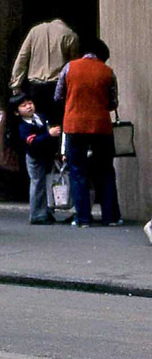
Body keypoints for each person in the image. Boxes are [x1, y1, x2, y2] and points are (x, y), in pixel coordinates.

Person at [55, 36, 122, 227]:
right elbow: (113, 102)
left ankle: (83, 217)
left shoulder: (69, 68)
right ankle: (111, 217)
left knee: (77, 171)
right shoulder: (108, 72)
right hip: (101, 126)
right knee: (106, 170)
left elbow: (58, 95)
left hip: (74, 125)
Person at [10, 18, 79, 125]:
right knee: (57, 123)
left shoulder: (35, 31)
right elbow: (73, 65)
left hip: (35, 86)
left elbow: (22, 58)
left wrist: (16, 84)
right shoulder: (70, 35)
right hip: (57, 86)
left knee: (37, 122)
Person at [11, 92, 62, 225]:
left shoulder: (40, 117)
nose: (28, 107)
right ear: (17, 112)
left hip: (47, 154)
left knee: (48, 183)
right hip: (35, 157)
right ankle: (37, 214)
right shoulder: (23, 126)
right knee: (37, 183)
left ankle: (47, 211)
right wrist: (48, 134)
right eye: (23, 105)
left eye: (30, 103)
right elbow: (33, 142)